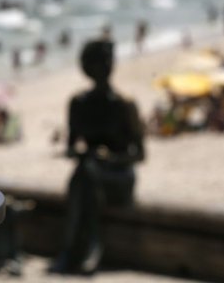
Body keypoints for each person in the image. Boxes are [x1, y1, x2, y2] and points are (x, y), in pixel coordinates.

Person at [50, 39, 145, 275]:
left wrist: (110, 158)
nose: (105, 66)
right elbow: (71, 149)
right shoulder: (78, 103)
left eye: (108, 60)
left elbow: (140, 155)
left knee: (86, 175)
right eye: (100, 62)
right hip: (90, 174)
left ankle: (74, 249)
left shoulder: (125, 104)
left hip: (119, 175)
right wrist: (88, 155)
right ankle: (89, 247)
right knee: (87, 173)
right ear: (88, 66)